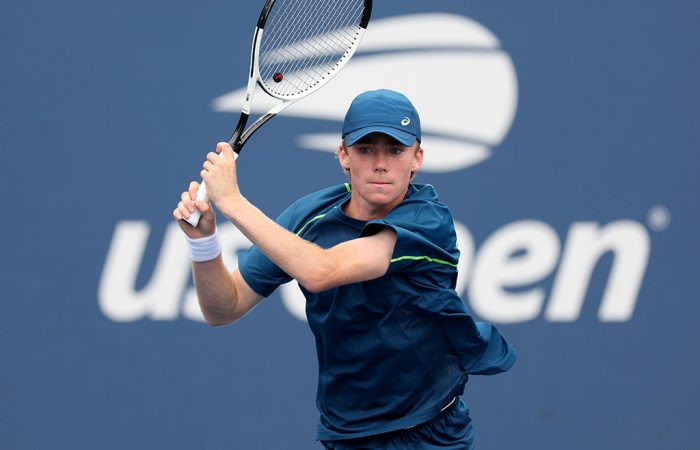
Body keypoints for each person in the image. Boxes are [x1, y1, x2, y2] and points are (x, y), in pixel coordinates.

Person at [173, 89, 516, 449]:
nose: (380, 163)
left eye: (395, 150)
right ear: (343, 155)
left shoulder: (429, 220)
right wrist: (204, 243)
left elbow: (321, 271)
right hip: (345, 436)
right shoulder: (310, 216)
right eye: (366, 149)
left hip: (428, 432)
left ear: (417, 158)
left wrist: (231, 201)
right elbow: (223, 309)